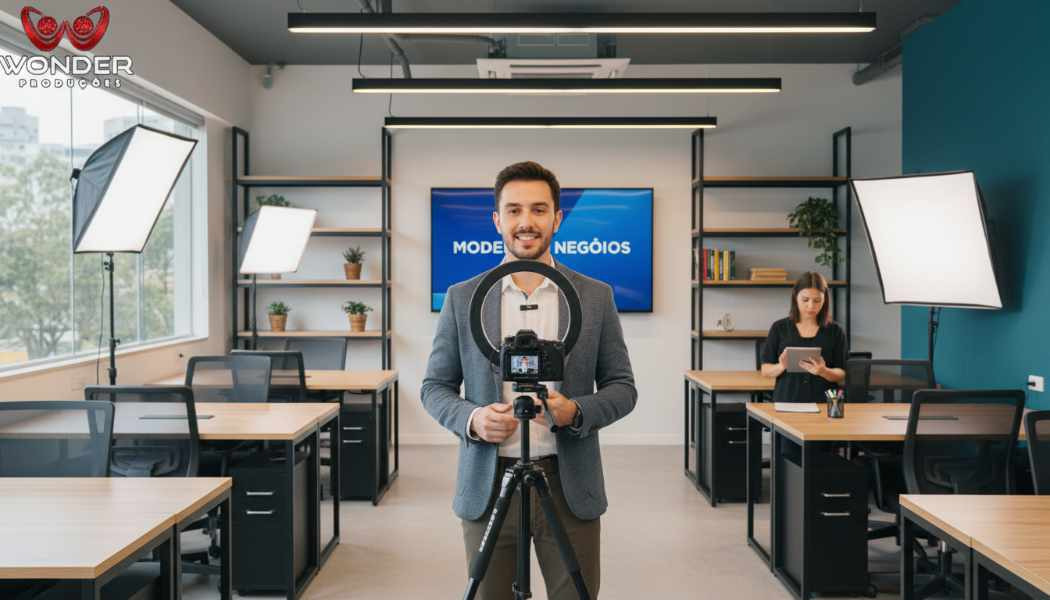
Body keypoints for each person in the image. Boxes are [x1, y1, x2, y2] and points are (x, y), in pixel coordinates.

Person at [421, 160, 637, 600]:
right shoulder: (462, 298)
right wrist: (473, 419)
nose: (526, 222)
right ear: (497, 220)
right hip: (488, 482)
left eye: (539, 210)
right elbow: (434, 388)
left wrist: (575, 411)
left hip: (568, 482)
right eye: (514, 210)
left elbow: (622, 387)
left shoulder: (595, 297)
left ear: (557, 218)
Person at [760, 272, 847, 402]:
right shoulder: (779, 328)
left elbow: (842, 373)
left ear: (825, 300)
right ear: (795, 297)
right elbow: (765, 370)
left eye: (817, 300)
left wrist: (823, 371)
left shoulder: (835, 331)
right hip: (787, 399)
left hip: (825, 401)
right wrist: (781, 366)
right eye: (805, 300)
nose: (811, 306)